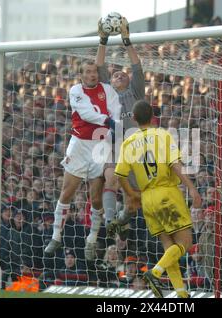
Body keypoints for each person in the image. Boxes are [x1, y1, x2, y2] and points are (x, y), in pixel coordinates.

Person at [114, 100, 202, 298]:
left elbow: (119, 175)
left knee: (168, 247)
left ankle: (182, 294)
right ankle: (155, 272)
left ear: (134, 119)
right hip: (166, 193)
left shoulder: (128, 141)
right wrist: (193, 189)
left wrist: (132, 195)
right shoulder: (162, 135)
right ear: (153, 116)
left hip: (147, 198)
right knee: (185, 243)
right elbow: (174, 165)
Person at [44, 59, 122, 255]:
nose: (92, 75)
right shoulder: (75, 91)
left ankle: (92, 238)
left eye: (94, 71)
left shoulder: (108, 90)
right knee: (67, 191)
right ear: (81, 75)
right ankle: (56, 236)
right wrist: (107, 121)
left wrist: (114, 129)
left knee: (96, 197)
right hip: (79, 145)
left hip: (100, 145)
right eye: (87, 71)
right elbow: (87, 113)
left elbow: (116, 112)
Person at [86, 16, 145, 258]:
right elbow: (100, 67)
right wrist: (103, 40)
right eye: (115, 75)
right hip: (112, 144)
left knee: (136, 198)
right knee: (110, 177)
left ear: (129, 80)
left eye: (122, 74)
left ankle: (122, 218)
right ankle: (110, 222)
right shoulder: (106, 94)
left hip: (136, 147)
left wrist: (127, 41)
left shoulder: (136, 92)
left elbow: (137, 65)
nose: (118, 75)